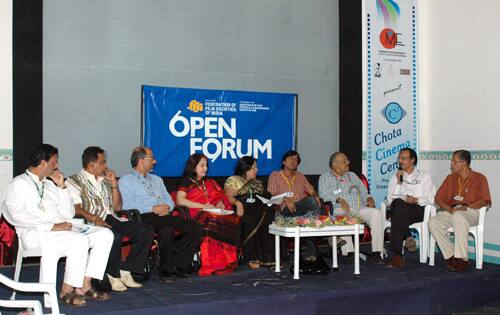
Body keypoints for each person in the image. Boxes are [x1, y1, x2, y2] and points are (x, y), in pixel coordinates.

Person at [1, 144, 113, 307]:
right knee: (78, 240)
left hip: (62, 231)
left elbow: (68, 213)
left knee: (104, 235)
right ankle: (67, 290)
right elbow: (16, 215)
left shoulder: (49, 184)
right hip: (36, 234)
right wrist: (51, 226)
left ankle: (84, 284)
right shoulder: (18, 184)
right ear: (43, 163)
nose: (57, 166)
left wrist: (62, 187)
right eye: (54, 162)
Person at [66, 146, 154, 291]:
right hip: (91, 220)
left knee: (146, 230)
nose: (106, 166)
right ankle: (113, 274)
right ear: (91, 164)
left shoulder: (105, 180)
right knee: (115, 236)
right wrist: (94, 218)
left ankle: (126, 269)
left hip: (112, 217)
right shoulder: (74, 181)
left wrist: (114, 185)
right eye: (103, 162)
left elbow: (118, 207)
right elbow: (76, 208)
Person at [118, 147, 202, 281]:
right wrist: (152, 208)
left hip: (164, 215)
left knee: (194, 228)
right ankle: (167, 271)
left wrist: (167, 207)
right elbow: (126, 205)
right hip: (144, 217)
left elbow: (169, 199)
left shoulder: (157, 180)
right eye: (152, 159)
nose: (155, 161)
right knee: (171, 229)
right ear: (141, 161)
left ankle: (176, 265)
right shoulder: (125, 181)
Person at [176, 153, 240, 276]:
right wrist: (203, 206)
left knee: (232, 219)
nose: (205, 168)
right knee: (213, 219)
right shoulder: (186, 181)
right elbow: (180, 200)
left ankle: (226, 261)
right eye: (202, 165)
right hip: (195, 213)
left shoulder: (209, 181)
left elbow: (219, 197)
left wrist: (220, 204)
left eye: (206, 165)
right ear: (193, 167)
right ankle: (212, 262)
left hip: (211, 211)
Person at [428, 150, 491, 272]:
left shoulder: (479, 178)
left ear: (464, 163)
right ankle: (451, 256)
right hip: (452, 210)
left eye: (454, 161)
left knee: (459, 216)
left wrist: (468, 207)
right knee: (433, 222)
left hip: (471, 211)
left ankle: (462, 258)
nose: (451, 164)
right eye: (451, 161)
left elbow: (485, 200)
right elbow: (438, 198)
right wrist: (450, 209)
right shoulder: (450, 178)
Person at [318, 152, 385, 264]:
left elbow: (364, 192)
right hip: (339, 209)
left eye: (347, 160)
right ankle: (350, 253)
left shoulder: (352, 175)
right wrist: (338, 199)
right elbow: (323, 195)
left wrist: (369, 198)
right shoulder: (325, 177)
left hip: (359, 208)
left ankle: (377, 252)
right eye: (344, 161)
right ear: (335, 164)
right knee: (347, 214)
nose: (348, 162)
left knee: (376, 213)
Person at [386, 148, 436, 268]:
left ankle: (397, 255)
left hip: (417, 210)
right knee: (398, 203)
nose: (400, 161)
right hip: (400, 209)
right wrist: (399, 182)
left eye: (403, 158)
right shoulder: (395, 177)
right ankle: (404, 242)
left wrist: (416, 200)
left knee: (397, 215)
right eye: (399, 158)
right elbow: (390, 200)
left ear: (412, 160)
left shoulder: (424, 176)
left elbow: (431, 198)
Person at [267, 150, 321, 260]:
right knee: (311, 203)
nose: (293, 161)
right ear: (283, 162)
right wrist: (286, 199)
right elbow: (271, 196)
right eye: (290, 158)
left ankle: (311, 254)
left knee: (312, 206)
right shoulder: (275, 175)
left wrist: (315, 195)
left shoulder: (300, 176)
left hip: (302, 211)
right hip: (285, 211)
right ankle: (316, 229)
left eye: (296, 159)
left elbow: (311, 190)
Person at [224, 156, 275, 269]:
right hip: (241, 211)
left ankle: (268, 257)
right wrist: (238, 203)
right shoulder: (234, 180)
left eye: (256, 167)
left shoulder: (257, 183)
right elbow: (228, 197)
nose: (257, 170)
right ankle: (251, 257)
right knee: (251, 220)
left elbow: (263, 198)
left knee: (269, 217)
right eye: (253, 168)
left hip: (258, 210)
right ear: (245, 168)